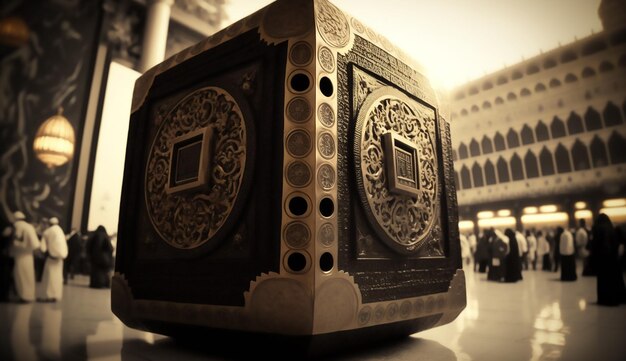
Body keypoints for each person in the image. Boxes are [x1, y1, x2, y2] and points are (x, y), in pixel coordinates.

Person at [591, 214, 626, 306]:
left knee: (604, 280)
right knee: (615, 279)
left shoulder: (598, 228)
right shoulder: (612, 228)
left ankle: (605, 299)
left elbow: (596, 244)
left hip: (603, 259)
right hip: (613, 258)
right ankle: (618, 298)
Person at [10, 211, 41, 302]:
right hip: (28, 255)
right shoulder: (29, 227)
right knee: (28, 276)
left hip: (17, 255)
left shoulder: (15, 226)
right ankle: (29, 295)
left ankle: (22, 295)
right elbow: (35, 244)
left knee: (19, 275)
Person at [39, 217, 68, 302]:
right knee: (58, 277)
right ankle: (56, 295)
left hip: (51, 258)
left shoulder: (47, 232)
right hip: (61, 258)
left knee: (49, 277)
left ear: (49, 224)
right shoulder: (60, 231)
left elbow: (43, 248)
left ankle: (48, 296)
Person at [1, 221, 15, 302]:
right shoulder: (7, 235)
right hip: (5, 257)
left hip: (6, 257)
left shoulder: (6, 235)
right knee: (5, 276)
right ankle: (4, 295)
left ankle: (5, 295)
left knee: (6, 276)